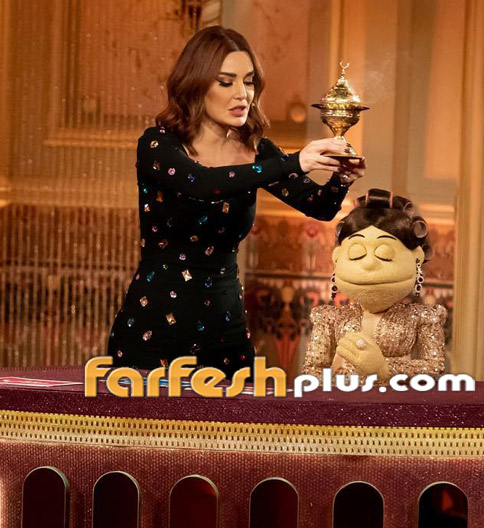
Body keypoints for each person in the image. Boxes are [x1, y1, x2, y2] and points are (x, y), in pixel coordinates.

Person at [107, 26, 365, 378]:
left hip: (225, 329)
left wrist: (341, 179)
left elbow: (320, 207)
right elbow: (202, 183)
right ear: (196, 85)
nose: (242, 94)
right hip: (154, 327)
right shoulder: (158, 145)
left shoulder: (257, 151)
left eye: (249, 82)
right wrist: (294, 161)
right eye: (226, 82)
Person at [302, 188, 447, 384]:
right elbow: (312, 370)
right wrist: (345, 382)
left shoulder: (423, 318)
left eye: (384, 254)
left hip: (397, 400)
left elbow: (434, 367)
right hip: (341, 400)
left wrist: (383, 368)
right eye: (356, 254)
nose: (369, 263)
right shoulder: (330, 318)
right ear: (337, 258)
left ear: (417, 259)